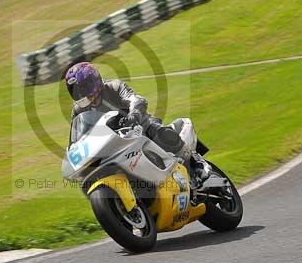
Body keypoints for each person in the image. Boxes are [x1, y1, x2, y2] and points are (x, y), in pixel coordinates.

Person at [65, 61, 210, 185]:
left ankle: (195, 162)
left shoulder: (113, 87)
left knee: (159, 133)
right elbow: (76, 136)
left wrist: (134, 114)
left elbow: (136, 99)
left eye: (83, 87)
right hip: (112, 143)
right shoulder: (78, 110)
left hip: (139, 127)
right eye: (75, 90)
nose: (80, 93)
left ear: (93, 81)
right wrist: (73, 158)